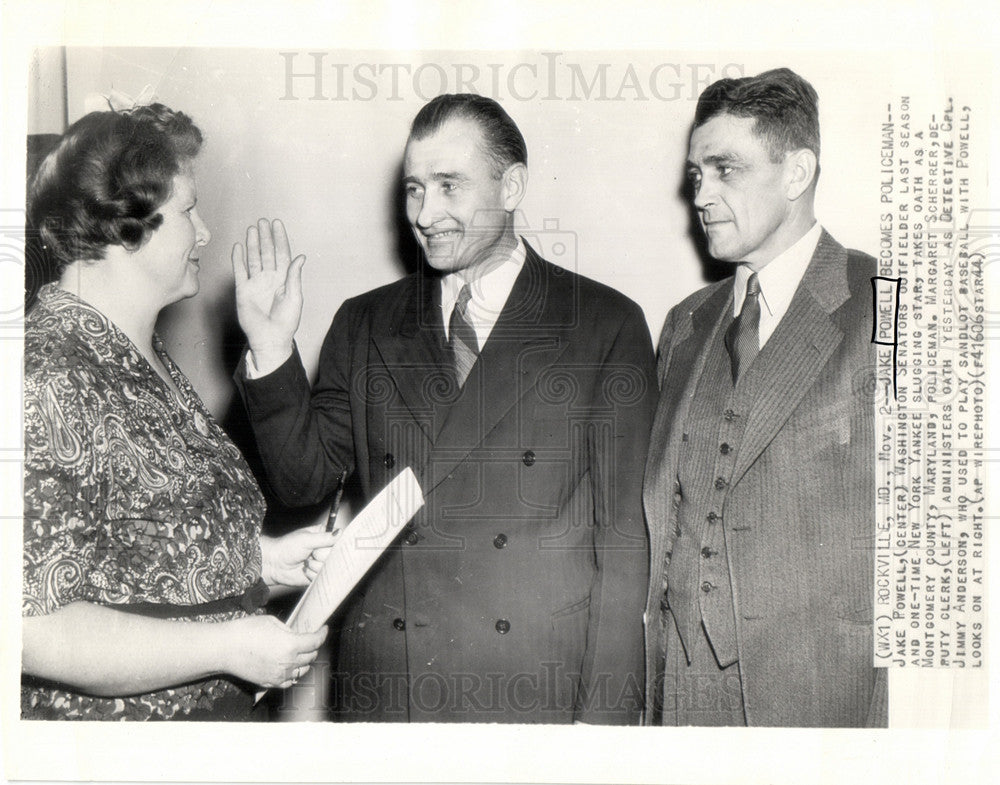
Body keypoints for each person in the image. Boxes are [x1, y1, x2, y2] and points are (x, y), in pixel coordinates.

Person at [233, 94, 657, 723]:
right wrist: (270, 349)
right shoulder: (366, 321)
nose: (424, 214)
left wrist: (603, 729)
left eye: (448, 186)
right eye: (413, 189)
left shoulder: (604, 324)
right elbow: (303, 482)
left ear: (510, 185)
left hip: (533, 687)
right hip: (392, 688)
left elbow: (624, 549)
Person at [22, 102, 335, 721]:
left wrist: (263, 561)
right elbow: (28, 625)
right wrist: (228, 645)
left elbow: (142, 560)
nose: (206, 232)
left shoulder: (137, 352)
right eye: (190, 209)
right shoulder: (48, 371)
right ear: (126, 222)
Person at [642, 68, 887, 727]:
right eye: (697, 174)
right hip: (679, 689)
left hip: (817, 697)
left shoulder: (888, 301)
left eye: (726, 169)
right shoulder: (684, 323)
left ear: (797, 170)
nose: (702, 193)